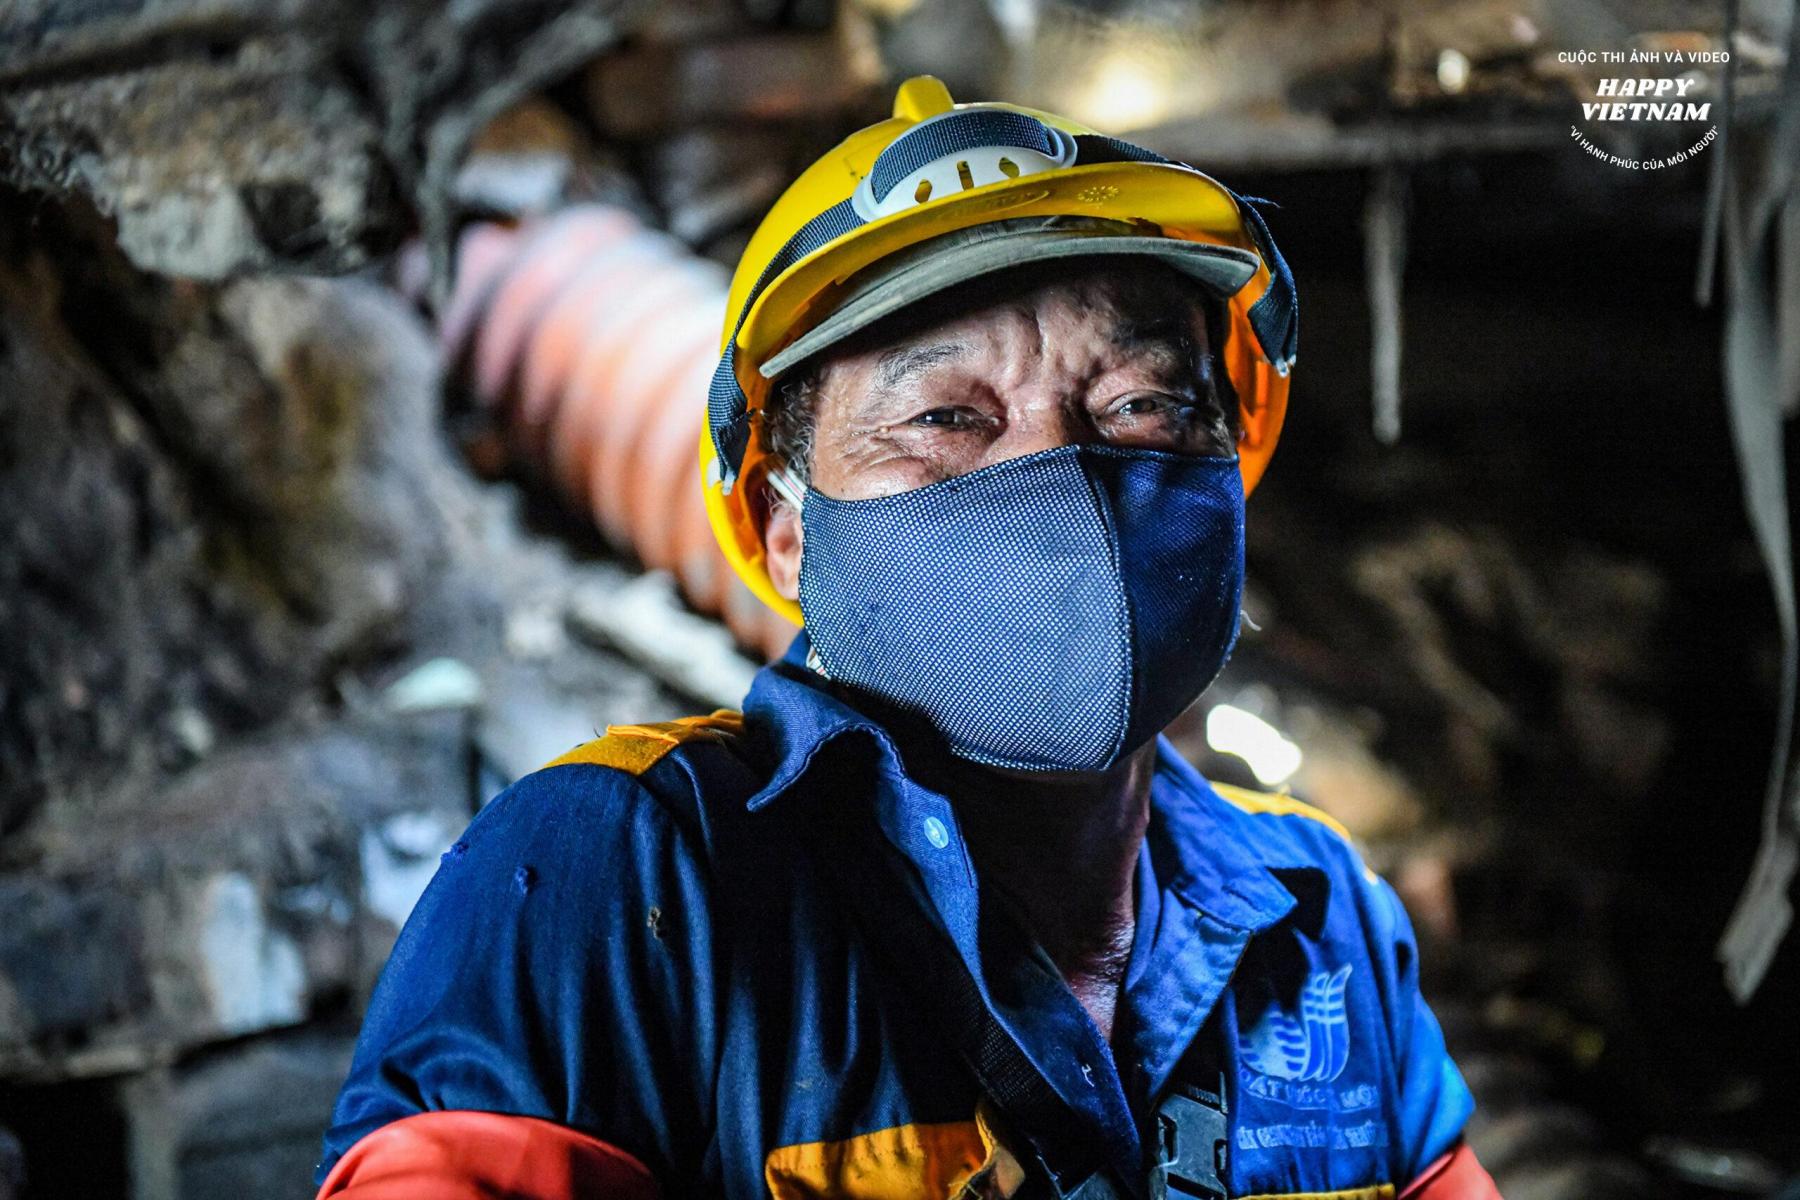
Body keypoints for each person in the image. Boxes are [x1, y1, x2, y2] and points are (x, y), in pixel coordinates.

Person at [314, 76, 1501, 1200]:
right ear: (788, 532)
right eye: (944, 417)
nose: (1061, 478)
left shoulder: (1320, 917)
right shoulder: (626, 871)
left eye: (1143, 406)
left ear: (1231, 469)